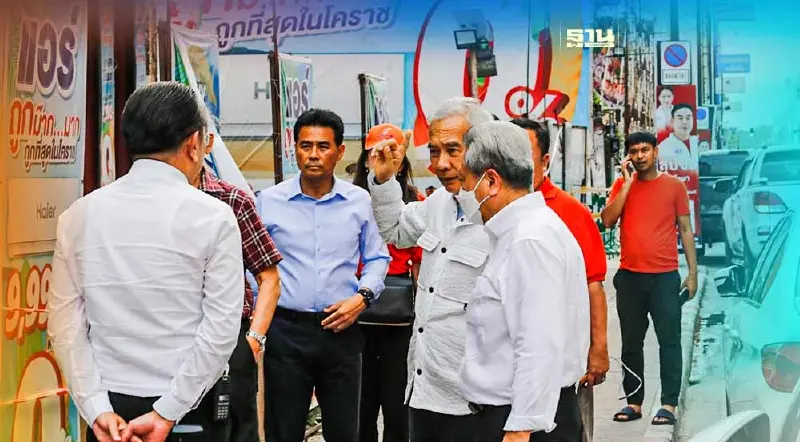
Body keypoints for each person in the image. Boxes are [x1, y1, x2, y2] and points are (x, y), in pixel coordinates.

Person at [48, 82, 243, 442]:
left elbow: (64, 326)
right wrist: (167, 411)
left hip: (111, 414)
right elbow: (221, 330)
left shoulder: (78, 216)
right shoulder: (214, 217)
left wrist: (96, 409)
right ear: (194, 144)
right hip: (189, 411)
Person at [256, 108, 391, 442]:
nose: (313, 155)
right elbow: (253, 267)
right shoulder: (269, 202)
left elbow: (377, 258)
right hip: (285, 333)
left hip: (341, 330)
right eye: (305, 146)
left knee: (345, 432)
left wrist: (362, 298)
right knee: (282, 431)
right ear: (294, 148)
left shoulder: (358, 201)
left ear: (340, 151)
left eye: (323, 146)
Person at [368, 97, 494, 442]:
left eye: (453, 150)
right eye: (434, 151)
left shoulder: (501, 216)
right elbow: (394, 229)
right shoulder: (437, 203)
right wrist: (384, 180)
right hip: (424, 390)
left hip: (474, 402)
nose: (441, 164)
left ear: (482, 148)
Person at [458, 121, 590, 442]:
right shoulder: (521, 230)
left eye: (466, 182)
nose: (461, 192)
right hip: (513, 416)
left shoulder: (528, 239)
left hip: (521, 424)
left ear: (491, 180)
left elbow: (538, 343)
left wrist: (519, 429)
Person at [510, 118, 609, 442]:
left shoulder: (570, 213)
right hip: (510, 370)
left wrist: (598, 349)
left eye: (524, 153)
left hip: (566, 369)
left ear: (545, 161)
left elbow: (593, 284)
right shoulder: (492, 213)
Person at [600, 131, 698, 426]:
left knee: (670, 342)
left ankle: (669, 404)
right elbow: (607, 220)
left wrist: (692, 274)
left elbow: (685, 228)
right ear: (628, 156)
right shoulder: (623, 186)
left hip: (665, 277)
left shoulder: (674, 186)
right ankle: (634, 402)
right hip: (630, 278)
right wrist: (627, 183)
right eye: (634, 151)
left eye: (645, 150)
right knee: (631, 343)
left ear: (656, 152)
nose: (640, 156)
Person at [192, 162, 282, 442]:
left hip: (232, 338)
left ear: (202, 144)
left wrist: (253, 339)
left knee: (237, 428)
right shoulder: (142, 202)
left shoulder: (232, 200)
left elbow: (268, 277)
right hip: (173, 336)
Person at [353, 124, 424, 442]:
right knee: (360, 402)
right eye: (374, 153)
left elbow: (420, 259)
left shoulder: (414, 202)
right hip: (355, 309)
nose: (380, 157)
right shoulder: (350, 199)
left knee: (398, 403)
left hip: (399, 314)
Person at [657, 103, 696, 172]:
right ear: (672, 121)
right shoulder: (663, 148)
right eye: (680, 118)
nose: (685, 122)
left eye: (688, 118)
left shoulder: (697, 142)